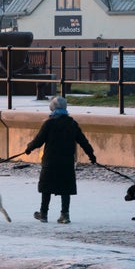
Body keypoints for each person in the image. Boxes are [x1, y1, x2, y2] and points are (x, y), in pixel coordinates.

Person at [24, 96, 97, 224]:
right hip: (66, 162)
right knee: (65, 188)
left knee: (46, 187)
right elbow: (83, 141)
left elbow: (38, 141)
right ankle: (65, 214)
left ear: (52, 108)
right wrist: (91, 155)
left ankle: (44, 213)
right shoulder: (72, 123)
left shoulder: (49, 123)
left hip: (50, 161)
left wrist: (29, 148)